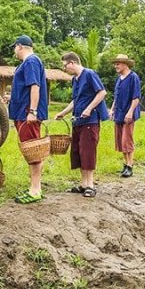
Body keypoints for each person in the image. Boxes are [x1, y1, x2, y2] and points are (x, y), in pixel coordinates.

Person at [54, 52, 108, 198]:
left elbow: (102, 93)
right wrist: (63, 113)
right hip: (77, 120)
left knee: (88, 151)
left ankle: (91, 185)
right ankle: (83, 184)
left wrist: (89, 109)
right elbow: (75, 100)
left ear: (72, 63)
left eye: (65, 66)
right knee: (78, 152)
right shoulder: (75, 80)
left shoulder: (89, 74)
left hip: (90, 121)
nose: (65, 69)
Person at [7, 35, 49, 204]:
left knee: (33, 150)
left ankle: (35, 189)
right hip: (22, 111)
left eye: (14, 48)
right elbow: (26, 88)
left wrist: (32, 111)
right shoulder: (28, 63)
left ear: (19, 46)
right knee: (30, 150)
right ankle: (34, 187)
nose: (14, 51)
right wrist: (12, 97)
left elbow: (35, 86)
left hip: (27, 114)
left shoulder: (31, 61)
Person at [109, 54, 141, 178]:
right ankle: (124, 164)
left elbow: (136, 97)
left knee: (127, 140)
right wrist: (112, 110)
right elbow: (116, 97)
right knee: (120, 140)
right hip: (119, 113)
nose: (115, 66)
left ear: (125, 64)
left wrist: (130, 112)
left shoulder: (133, 77)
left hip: (128, 113)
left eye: (118, 63)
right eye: (115, 63)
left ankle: (130, 165)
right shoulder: (119, 79)